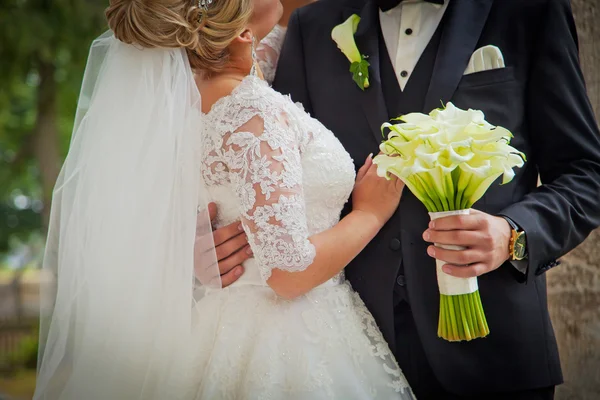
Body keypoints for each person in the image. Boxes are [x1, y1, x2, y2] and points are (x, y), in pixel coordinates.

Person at [214, 0, 600, 399]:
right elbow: (264, 175)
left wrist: (513, 234)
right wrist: (201, 238)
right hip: (349, 358)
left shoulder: (529, 11)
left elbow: (585, 174)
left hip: (495, 354)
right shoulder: (312, 25)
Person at [34, 0, 414, 399]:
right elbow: (287, 273)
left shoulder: (189, 101)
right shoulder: (251, 109)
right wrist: (369, 213)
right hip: (291, 336)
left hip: (228, 321)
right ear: (242, 32)